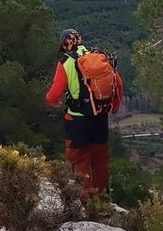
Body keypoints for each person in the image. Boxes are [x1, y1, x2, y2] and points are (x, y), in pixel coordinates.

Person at [46, 28, 124, 204]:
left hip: (77, 120)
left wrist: (54, 102)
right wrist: (114, 107)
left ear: (65, 44)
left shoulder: (66, 62)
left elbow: (54, 94)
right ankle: (103, 199)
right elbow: (117, 83)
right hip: (100, 117)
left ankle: (88, 202)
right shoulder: (100, 57)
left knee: (80, 160)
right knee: (100, 160)